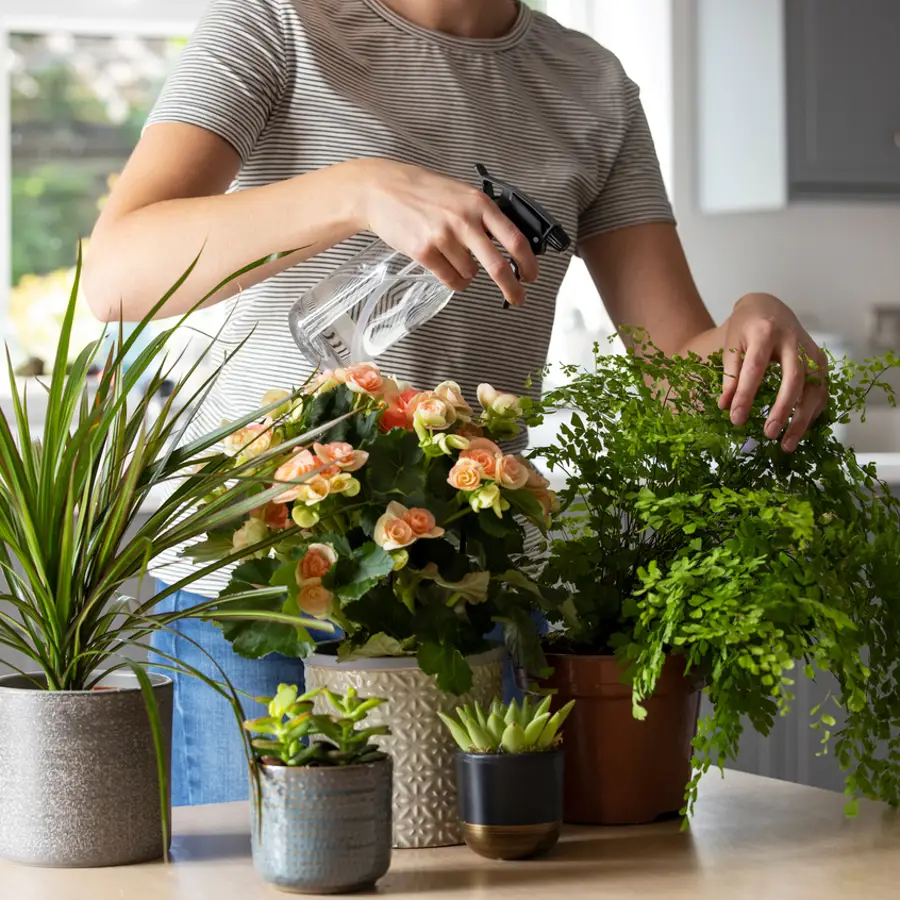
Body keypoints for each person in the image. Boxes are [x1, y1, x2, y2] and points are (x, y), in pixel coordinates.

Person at [84, 0, 828, 806]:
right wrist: (359, 190)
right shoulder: (276, 24)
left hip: (464, 595)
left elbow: (676, 381)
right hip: (261, 595)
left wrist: (752, 327)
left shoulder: (593, 87)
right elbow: (118, 274)